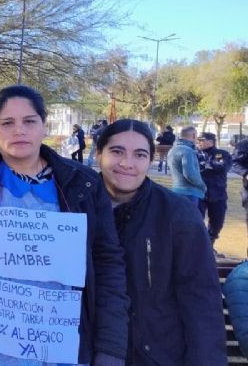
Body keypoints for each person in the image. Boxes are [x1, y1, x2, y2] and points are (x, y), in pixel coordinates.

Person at [0, 85, 129, 366]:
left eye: (29, 121)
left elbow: (108, 265)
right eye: (7, 122)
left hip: (64, 349)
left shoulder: (84, 183)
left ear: (43, 125)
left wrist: (110, 348)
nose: (19, 130)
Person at [96, 119, 226, 365]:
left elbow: (201, 299)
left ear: (151, 160)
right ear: (98, 154)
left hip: (156, 355)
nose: (127, 163)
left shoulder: (178, 214)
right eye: (117, 151)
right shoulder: (74, 206)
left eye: (140, 154)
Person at [197, 132, 233, 244]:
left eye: (202, 140)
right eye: (198, 140)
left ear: (211, 142)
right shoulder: (195, 154)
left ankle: (210, 244)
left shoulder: (219, 154)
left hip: (218, 194)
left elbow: (220, 166)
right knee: (196, 220)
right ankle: (201, 245)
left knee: (217, 222)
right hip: (200, 194)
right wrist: (208, 166)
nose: (199, 142)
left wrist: (206, 165)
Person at [168, 126, 207, 205]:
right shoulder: (188, 151)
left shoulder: (172, 150)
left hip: (176, 190)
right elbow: (190, 174)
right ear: (194, 136)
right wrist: (203, 186)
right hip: (189, 193)